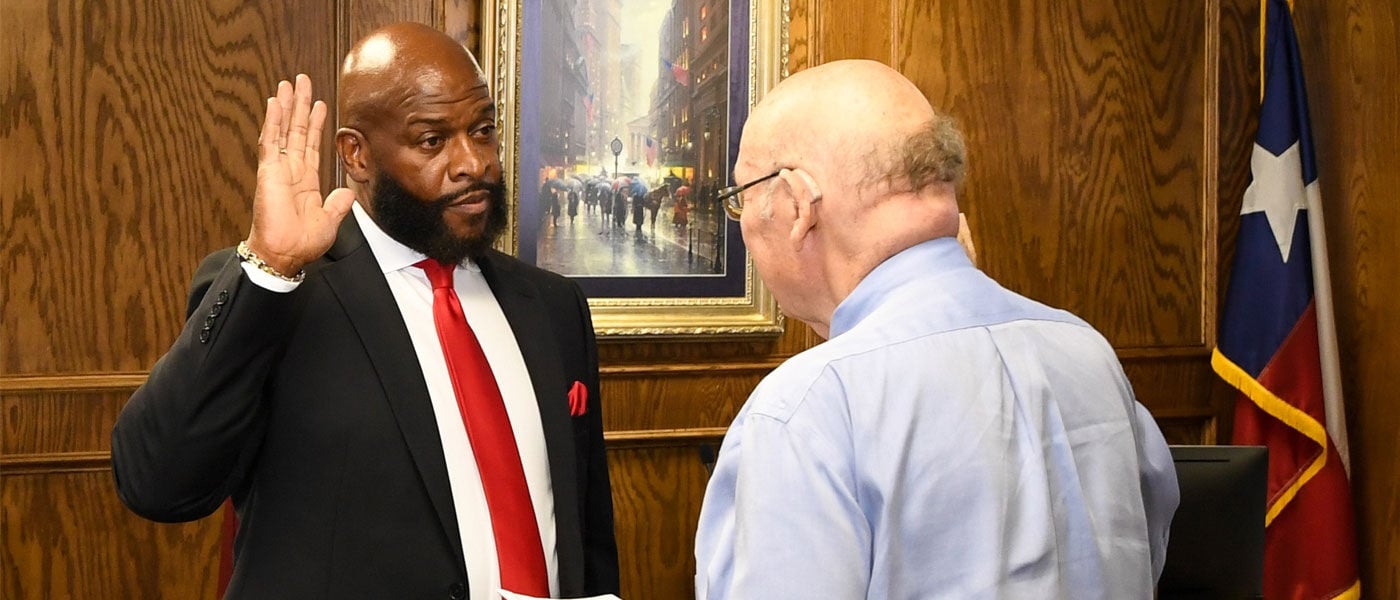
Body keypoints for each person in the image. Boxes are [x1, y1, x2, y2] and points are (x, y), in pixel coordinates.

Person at [111, 22, 619, 600]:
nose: (472, 163)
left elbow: (587, 538)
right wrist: (270, 267)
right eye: (432, 141)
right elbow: (158, 482)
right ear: (356, 154)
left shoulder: (553, 307)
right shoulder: (282, 295)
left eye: (482, 131)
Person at [693, 60, 1178, 599]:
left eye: (740, 200)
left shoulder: (809, 407)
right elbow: (1150, 552)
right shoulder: (1088, 352)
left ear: (796, 203)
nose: (743, 223)